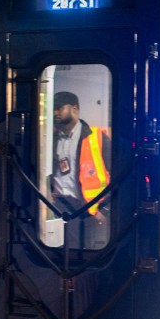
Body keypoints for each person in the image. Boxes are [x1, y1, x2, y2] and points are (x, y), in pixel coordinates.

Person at [51, 91, 111, 248]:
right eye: (53, 108)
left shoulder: (97, 137)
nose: (55, 113)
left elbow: (119, 175)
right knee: (56, 251)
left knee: (82, 252)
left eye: (59, 108)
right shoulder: (51, 137)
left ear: (75, 109)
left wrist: (105, 209)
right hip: (56, 205)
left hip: (86, 208)